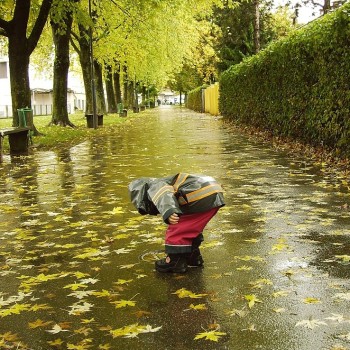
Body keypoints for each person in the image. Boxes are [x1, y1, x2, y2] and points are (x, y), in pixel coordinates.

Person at [128, 173, 225, 273]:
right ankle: (193, 257)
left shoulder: (155, 185)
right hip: (213, 194)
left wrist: (169, 210)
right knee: (190, 228)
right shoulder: (167, 181)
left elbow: (164, 195)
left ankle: (174, 262)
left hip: (200, 195)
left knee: (178, 229)